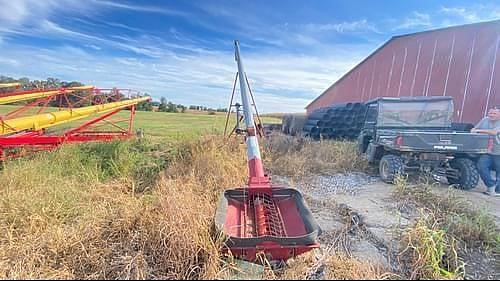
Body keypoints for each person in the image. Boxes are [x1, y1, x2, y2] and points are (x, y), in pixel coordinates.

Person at [472, 106, 500, 196]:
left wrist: (478, 131)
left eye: (494, 113)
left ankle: (497, 190)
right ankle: (490, 186)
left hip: (498, 152)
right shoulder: (485, 120)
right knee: (481, 166)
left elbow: (494, 132)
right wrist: (475, 130)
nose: (491, 115)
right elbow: (473, 130)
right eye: (490, 113)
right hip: (487, 151)